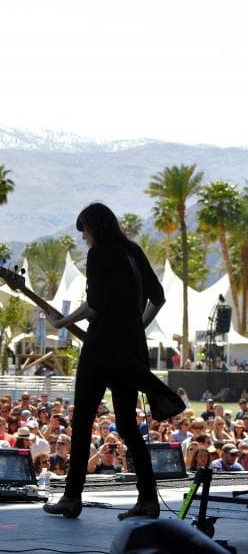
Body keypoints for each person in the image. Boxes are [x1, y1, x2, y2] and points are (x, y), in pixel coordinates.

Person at [43, 203, 184, 521]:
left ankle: (71, 497)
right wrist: (137, 325)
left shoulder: (100, 253)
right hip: (130, 348)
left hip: (101, 347)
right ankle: (148, 499)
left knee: (82, 423)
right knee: (128, 426)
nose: (84, 239)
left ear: (94, 227)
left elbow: (95, 305)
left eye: (84, 231)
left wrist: (63, 322)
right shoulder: (132, 250)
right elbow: (157, 296)